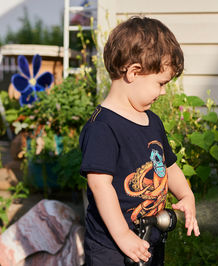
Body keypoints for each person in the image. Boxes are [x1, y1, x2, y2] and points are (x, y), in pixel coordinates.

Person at [79, 16, 200, 265]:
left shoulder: (152, 121)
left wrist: (186, 195)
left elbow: (168, 165)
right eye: (161, 83)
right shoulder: (102, 127)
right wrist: (123, 235)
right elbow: (100, 185)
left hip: (150, 239)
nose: (164, 91)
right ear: (134, 72)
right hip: (111, 247)